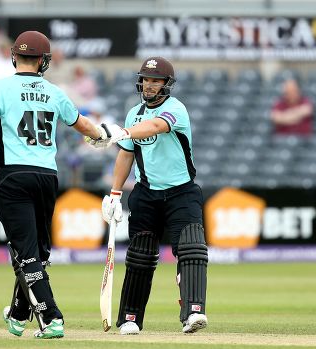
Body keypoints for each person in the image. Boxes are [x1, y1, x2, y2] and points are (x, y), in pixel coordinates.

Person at [0, 30, 116, 339]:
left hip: (13, 176)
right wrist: (104, 135)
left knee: (26, 253)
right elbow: (84, 126)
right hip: (47, 176)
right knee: (38, 251)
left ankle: (51, 317)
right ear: (43, 61)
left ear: (14, 57)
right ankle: (20, 314)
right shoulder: (54, 91)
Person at [86, 57, 208, 335]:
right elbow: (126, 154)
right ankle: (130, 318)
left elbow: (155, 127)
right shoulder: (133, 113)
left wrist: (121, 132)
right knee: (140, 257)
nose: (149, 85)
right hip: (146, 193)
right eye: (146, 79)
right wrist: (115, 194)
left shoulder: (176, 109)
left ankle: (193, 312)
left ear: (167, 84)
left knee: (191, 250)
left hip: (182, 192)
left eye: (156, 80)